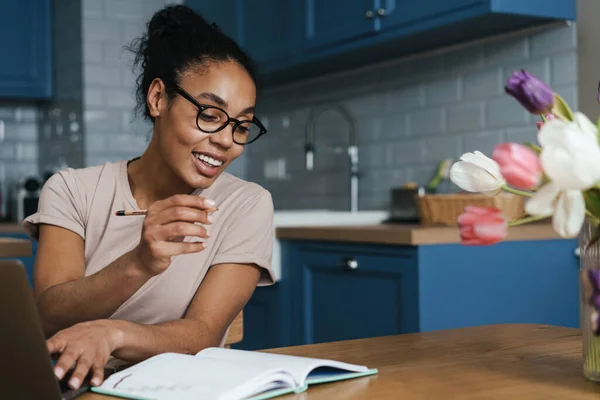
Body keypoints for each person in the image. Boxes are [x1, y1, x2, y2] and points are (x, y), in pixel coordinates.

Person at [22, 4, 274, 392]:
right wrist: (140, 262)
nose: (226, 140)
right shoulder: (72, 190)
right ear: (158, 98)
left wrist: (113, 334)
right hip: (70, 386)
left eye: (241, 125)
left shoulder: (247, 205)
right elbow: (49, 317)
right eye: (210, 114)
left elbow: (203, 334)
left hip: (181, 390)